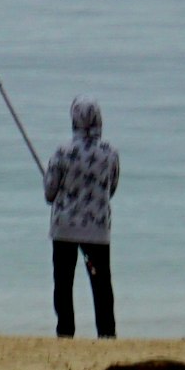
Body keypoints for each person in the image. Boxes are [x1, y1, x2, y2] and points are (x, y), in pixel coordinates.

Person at [44, 96, 118, 340]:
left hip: (65, 227)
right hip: (97, 230)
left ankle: (65, 331)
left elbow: (50, 191)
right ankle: (106, 334)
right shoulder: (110, 153)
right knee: (101, 285)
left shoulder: (63, 152)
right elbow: (112, 188)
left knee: (63, 284)